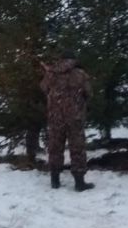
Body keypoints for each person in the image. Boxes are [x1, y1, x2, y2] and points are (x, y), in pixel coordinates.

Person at [40, 51, 94, 192]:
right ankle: (79, 182)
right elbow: (89, 93)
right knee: (77, 149)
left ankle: (55, 180)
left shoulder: (51, 73)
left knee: (55, 148)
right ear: (74, 60)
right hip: (75, 118)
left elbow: (43, 88)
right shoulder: (80, 74)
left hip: (55, 118)